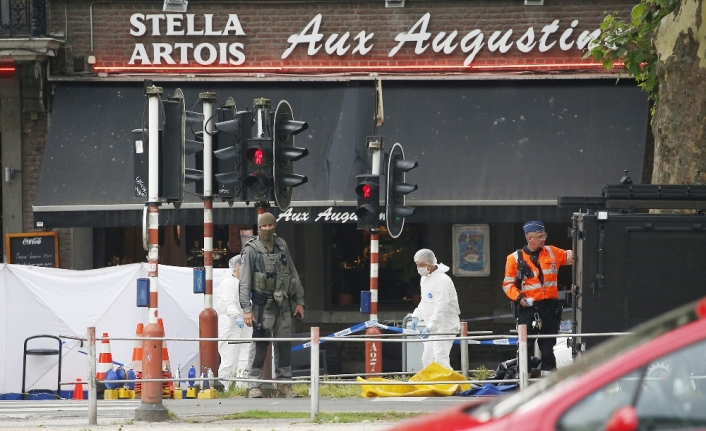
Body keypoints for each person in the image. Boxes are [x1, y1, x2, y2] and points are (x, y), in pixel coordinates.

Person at [239, 212, 305, 398]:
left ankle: (284, 385)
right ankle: (254, 385)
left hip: (283, 304)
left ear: (274, 225)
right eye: (264, 226)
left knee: (284, 346)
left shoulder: (282, 245)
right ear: (259, 228)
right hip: (262, 306)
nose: (267, 229)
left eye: (270, 225)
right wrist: (246, 309)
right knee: (260, 345)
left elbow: (292, 273)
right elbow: (244, 281)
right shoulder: (251, 249)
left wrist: (299, 301)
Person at [502, 221, 573, 376]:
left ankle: (549, 382)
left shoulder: (552, 252)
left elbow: (576, 256)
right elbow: (507, 285)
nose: (543, 239)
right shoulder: (514, 258)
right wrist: (519, 297)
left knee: (548, 346)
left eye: (544, 235)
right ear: (529, 238)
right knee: (525, 345)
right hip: (527, 308)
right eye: (540, 236)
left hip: (550, 307)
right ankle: (523, 380)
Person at [410, 248, 461, 371]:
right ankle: (432, 386)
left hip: (445, 324)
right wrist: (416, 315)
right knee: (427, 359)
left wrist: (431, 327)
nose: (419, 268)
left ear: (431, 263)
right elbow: (425, 302)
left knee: (440, 359)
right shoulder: (425, 279)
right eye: (417, 265)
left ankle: (450, 387)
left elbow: (441, 306)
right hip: (433, 326)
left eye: (422, 265)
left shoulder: (442, 280)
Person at [215, 255, 252, 391]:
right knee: (229, 359)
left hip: (243, 324)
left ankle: (241, 388)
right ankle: (224, 388)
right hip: (230, 324)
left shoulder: (241, 282)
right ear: (237, 266)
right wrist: (236, 315)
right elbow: (229, 302)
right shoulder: (228, 283)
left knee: (244, 357)